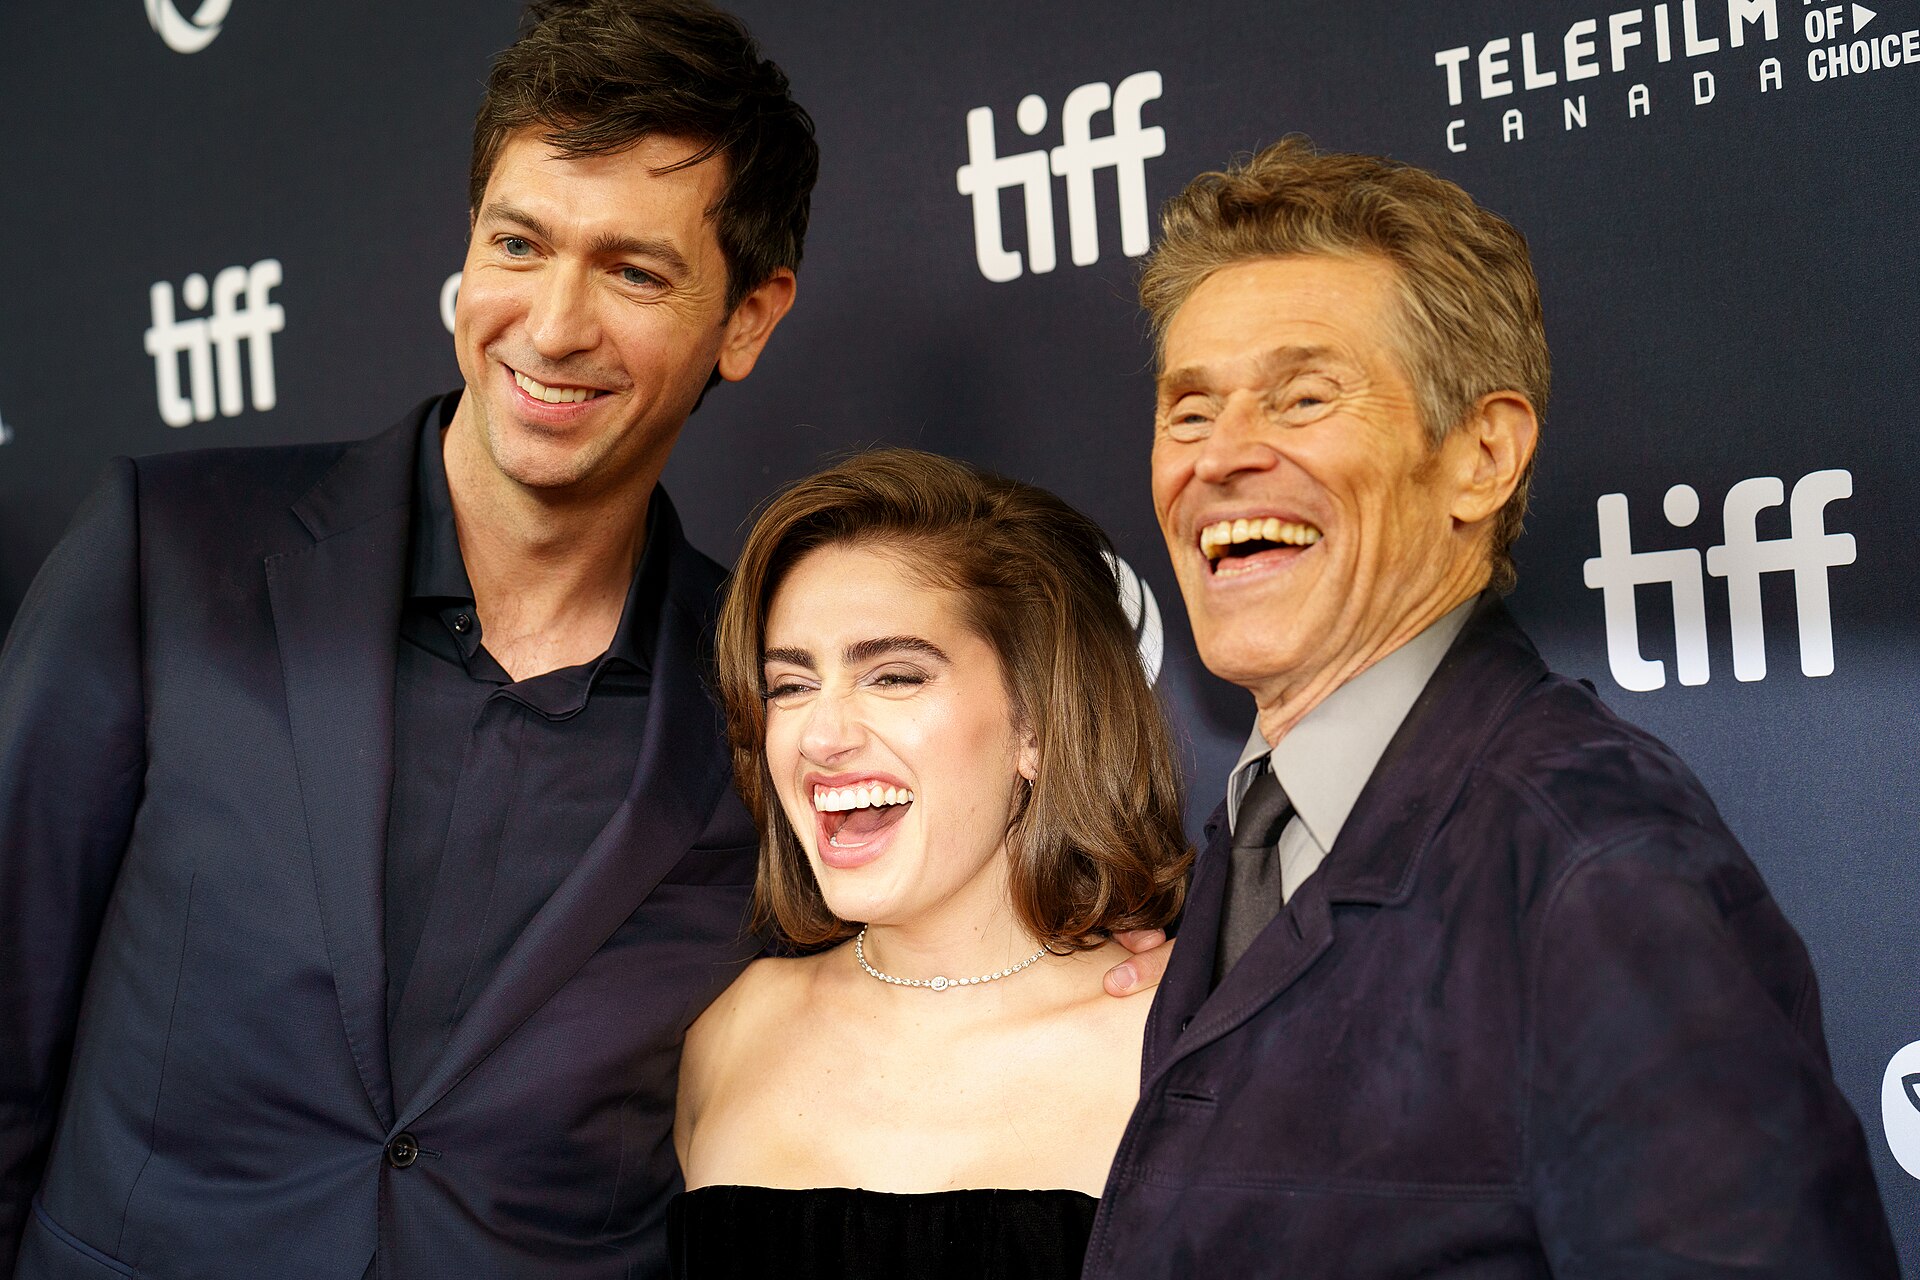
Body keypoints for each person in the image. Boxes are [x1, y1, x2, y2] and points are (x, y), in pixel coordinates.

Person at [0, 3, 813, 1275]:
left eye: (634, 271)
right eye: (519, 243)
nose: (551, 325)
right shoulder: (171, 552)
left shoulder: (770, 700)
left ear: (750, 318)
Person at [1083, 138, 1901, 1277]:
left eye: (1304, 396)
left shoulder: (1589, 858)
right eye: (1189, 411)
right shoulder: (1252, 836)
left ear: (1482, 453)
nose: (1222, 458)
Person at [671, 448, 1192, 1278]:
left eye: (895, 676)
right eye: (792, 686)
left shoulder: (1177, 1048)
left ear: (1038, 725)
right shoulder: (728, 1036)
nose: (823, 734)